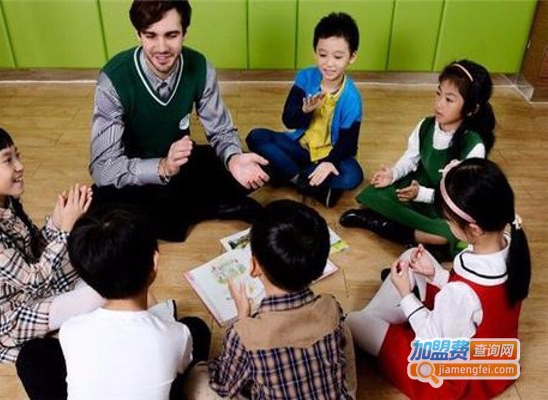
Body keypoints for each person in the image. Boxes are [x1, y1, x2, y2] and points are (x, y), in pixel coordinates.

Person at [346, 158, 531, 399]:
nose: (446, 224)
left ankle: (374, 323)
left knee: (353, 322)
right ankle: (378, 322)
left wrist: (406, 295)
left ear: (474, 229)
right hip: (491, 356)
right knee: (411, 257)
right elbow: (477, 304)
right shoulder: (508, 243)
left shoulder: (462, 292)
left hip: (453, 376)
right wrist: (436, 275)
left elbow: (434, 344)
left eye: (449, 221)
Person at [90, 0, 269, 242]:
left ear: (185, 33)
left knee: (256, 169)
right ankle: (210, 207)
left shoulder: (200, 66)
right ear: (138, 34)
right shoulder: (114, 78)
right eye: (151, 35)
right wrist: (162, 167)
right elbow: (103, 168)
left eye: (171, 35)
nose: (162, 48)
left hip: (182, 161)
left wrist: (233, 158)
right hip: (139, 173)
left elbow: (221, 131)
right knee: (109, 211)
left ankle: (194, 207)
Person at [0, 124, 103, 374]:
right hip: (5, 320)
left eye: (17, 155)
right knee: (100, 293)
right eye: (7, 160)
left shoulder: (4, 203)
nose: (19, 166)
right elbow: (34, 279)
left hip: (23, 292)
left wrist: (57, 221)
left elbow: (32, 252)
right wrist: (65, 230)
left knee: (100, 264)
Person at [189, 200, 356, 399]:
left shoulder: (243, 335)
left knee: (198, 378)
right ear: (319, 269)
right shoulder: (330, 306)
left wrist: (243, 319)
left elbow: (224, 386)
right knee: (344, 327)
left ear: (253, 267)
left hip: (248, 357)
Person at [340, 60, 496, 255]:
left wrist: (421, 194)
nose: (439, 104)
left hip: (446, 205)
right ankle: (415, 236)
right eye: (438, 93)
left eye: (449, 100)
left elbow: (461, 198)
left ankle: (378, 224)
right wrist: (393, 174)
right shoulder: (426, 125)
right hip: (418, 185)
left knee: (449, 234)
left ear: (471, 109)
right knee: (376, 191)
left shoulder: (474, 146)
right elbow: (410, 158)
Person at [59, 205, 211, 400]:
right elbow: (180, 367)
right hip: (168, 344)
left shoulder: (70, 330)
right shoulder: (177, 335)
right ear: (154, 261)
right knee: (197, 328)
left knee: (34, 353)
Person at [246, 12, 363, 208]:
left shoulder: (352, 98)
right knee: (256, 137)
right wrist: (304, 111)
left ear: (352, 57)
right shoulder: (305, 77)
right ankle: (303, 182)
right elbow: (288, 120)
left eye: (338, 57)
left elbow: (348, 144)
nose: (329, 63)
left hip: (328, 155)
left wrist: (330, 162)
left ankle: (284, 171)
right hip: (300, 148)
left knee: (353, 175)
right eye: (322, 55)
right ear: (315, 52)